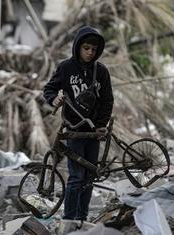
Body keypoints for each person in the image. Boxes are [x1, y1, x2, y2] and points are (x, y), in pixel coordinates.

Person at [43, 26, 114, 221]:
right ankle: (69, 220)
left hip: (93, 132)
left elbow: (107, 100)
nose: (90, 53)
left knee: (89, 178)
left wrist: (101, 124)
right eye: (86, 48)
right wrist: (53, 100)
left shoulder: (101, 71)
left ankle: (82, 220)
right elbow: (49, 89)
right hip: (74, 130)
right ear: (78, 47)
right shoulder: (66, 68)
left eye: (93, 49)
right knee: (75, 178)